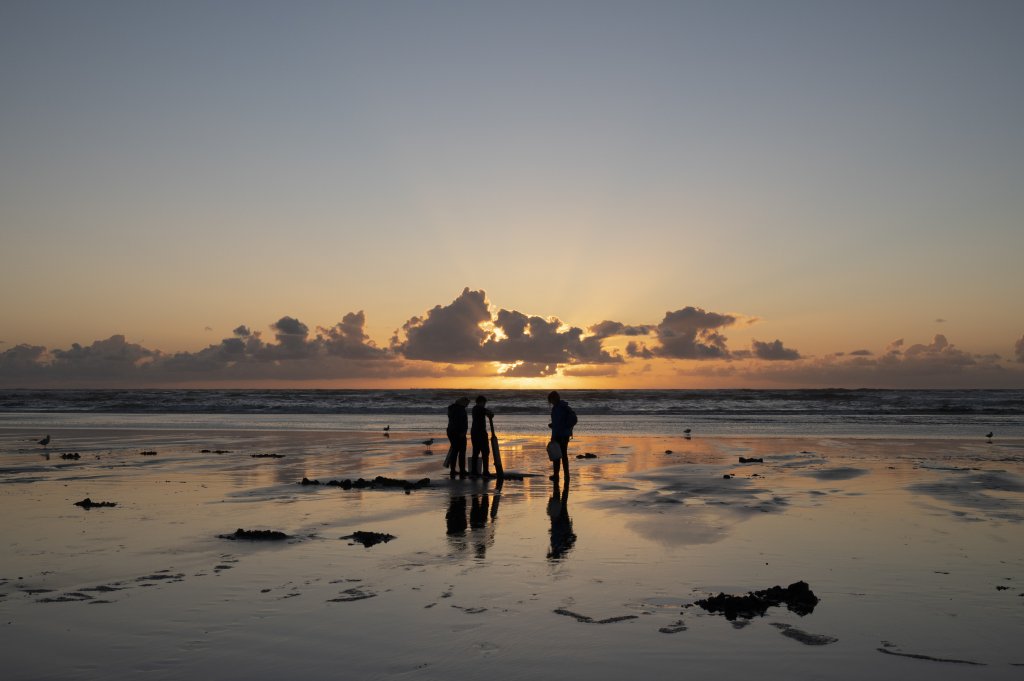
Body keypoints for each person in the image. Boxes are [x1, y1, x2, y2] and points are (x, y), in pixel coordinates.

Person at [547, 390, 575, 482]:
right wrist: (553, 425)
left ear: (554, 399)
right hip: (563, 434)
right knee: (562, 455)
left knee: (558, 456)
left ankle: (558, 475)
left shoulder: (559, 408)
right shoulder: (561, 407)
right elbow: (559, 422)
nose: (550, 402)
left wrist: (554, 436)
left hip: (560, 435)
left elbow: (559, 424)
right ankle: (565, 475)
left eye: (551, 400)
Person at [470, 395, 494, 476]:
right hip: (480, 433)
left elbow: (487, 413)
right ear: (481, 402)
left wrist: (489, 414)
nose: (484, 404)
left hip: (475, 432)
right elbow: (489, 413)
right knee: (485, 452)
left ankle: (474, 471)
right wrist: (490, 414)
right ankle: (485, 471)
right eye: (484, 403)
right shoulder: (479, 408)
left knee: (476, 452)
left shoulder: (475, 408)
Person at [446, 396, 470, 477]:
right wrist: (462, 432)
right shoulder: (460, 410)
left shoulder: (452, 408)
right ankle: (462, 470)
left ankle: (453, 470)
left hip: (451, 431)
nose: (467, 405)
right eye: (467, 403)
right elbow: (460, 422)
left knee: (454, 451)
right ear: (463, 402)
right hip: (458, 432)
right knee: (462, 451)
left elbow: (454, 421)